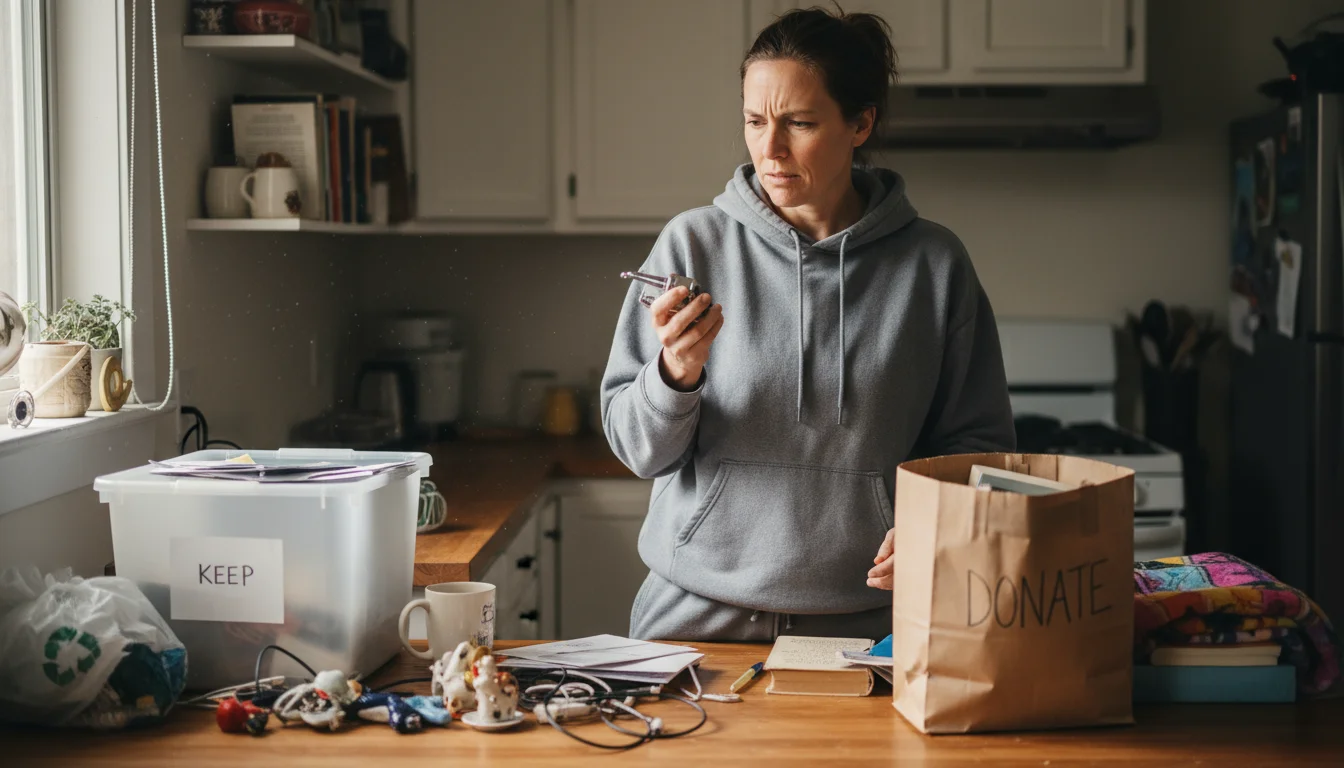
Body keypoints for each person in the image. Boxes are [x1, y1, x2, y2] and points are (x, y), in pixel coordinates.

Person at [600, 6, 1016, 642]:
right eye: (754, 120)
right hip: (693, 618)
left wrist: (941, 521)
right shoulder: (692, 245)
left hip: (871, 626)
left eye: (798, 123)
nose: (770, 149)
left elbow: (977, 442)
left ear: (860, 124)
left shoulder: (934, 264)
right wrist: (674, 373)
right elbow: (636, 450)